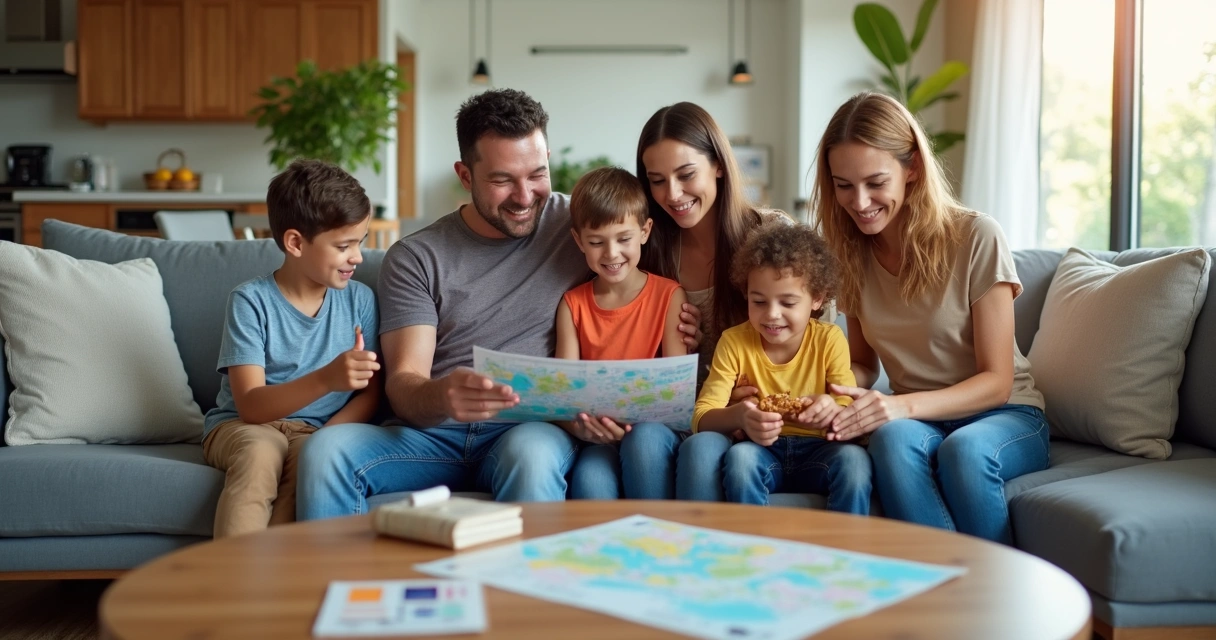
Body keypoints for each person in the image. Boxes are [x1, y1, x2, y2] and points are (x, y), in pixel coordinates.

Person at [297, 89, 698, 517]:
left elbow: (663, 236)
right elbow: (404, 383)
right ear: (465, 176)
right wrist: (441, 395)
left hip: (526, 430)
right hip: (431, 437)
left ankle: (524, 564)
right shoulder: (417, 257)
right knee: (325, 452)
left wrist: (702, 315)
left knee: (532, 458)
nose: (524, 197)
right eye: (502, 180)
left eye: (537, 174)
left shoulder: (582, 225)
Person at [815, 92, 1048, 543]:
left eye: (875, 182)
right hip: (920, 420)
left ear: (913, 168)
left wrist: (899, 406)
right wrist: (823, 391)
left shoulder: (976, 236)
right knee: (889, 440)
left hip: (1005, 414)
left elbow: (997, 382)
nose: (859, 202)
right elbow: (862, 364)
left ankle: (992, 582)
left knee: (965, 451)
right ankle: (940, 577)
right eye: (843, 185)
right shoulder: (849, 254)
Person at [202, 159, 381, 538]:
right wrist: (327, 379)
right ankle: (231, 573)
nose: (358, 257)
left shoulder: (360, 301)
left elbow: (372, 393)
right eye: (344, 246)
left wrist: (327, 438)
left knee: (310, 464)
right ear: (296, 243)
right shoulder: (250, 301)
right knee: (260, 454)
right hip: (242, 426)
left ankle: (273, 571)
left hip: (314, 431)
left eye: (360, 242)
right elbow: (251, 407)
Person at [635, 101, 791, 500]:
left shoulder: (772, 236)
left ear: (718, 164)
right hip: (676, 416)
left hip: (753, 421)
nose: (672, 194)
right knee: (650, 444)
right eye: (657, 180)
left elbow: (812, 340)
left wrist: (747, 392)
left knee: (703, 453)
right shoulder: (644, 249)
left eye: (686, 175)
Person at [693, 223, 871, 512]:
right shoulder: (734, 342)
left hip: (821, 450)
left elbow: (847, 408)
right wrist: (740, 416)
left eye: (788, 303)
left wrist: (830, 408)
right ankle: (750, 540)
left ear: (817, 298)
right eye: (759, 301)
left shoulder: (829, 339)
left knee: (854, 462)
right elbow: (701, 417)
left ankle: (845, 540)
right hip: (762, 450)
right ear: (746, 294)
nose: (772, 315)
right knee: (740, 460)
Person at [555, 166, 689, 499]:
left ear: (645, 231)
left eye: (624, 239)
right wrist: (582, 426)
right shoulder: (572, 305)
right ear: (579, 241)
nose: (611, 253)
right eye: (596, 242)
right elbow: (563, 395)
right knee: (590, 480)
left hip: (653, 431)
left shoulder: (669, 296)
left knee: (643, 444)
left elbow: (676, 392)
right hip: (599, 439)